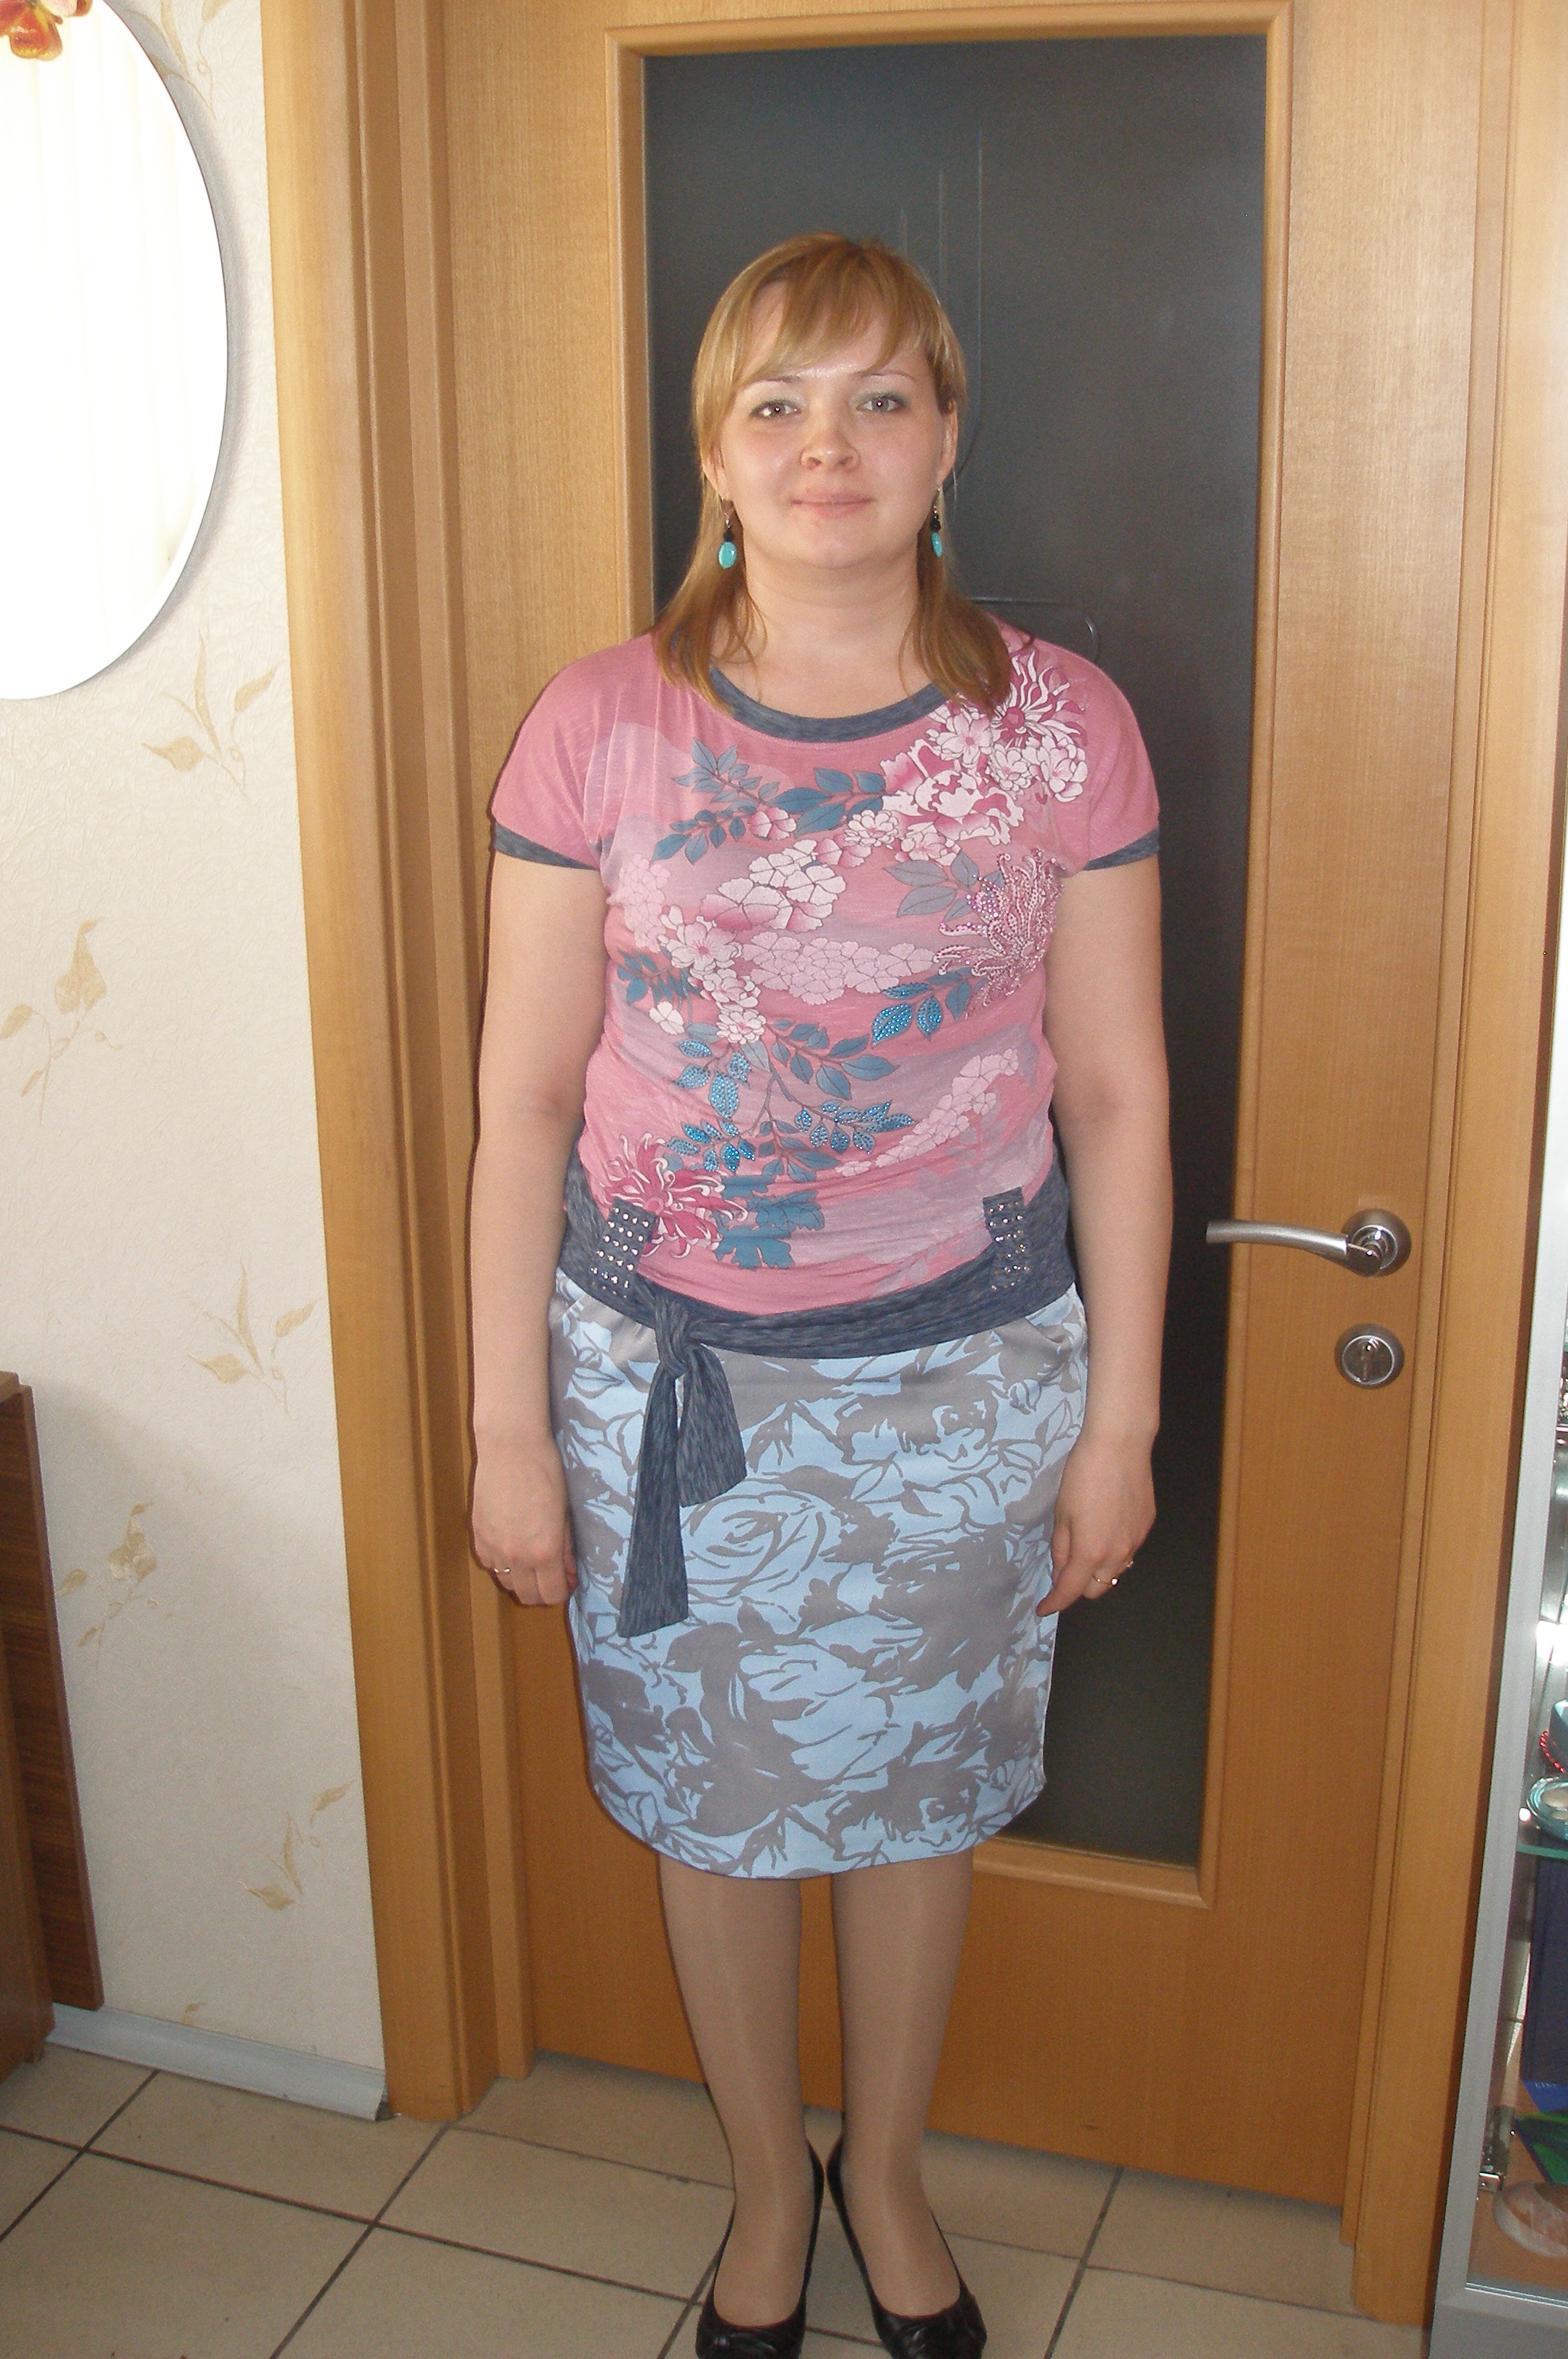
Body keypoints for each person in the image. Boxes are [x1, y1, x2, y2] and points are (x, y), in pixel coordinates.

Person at [469, 232, 1170, 2359]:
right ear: (715, 454)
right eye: (777, 403)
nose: (828, 446)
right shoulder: (598, 727)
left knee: (915, 1804)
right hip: (664, 1390)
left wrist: (1124, 1423)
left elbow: (1119, 1098)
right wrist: (508, 1432)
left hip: (966, 1388)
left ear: (949, 439)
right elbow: (523, 1102)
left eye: (880, 399)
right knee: (715, 1816)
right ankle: (769, 2186)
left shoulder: (1060, 731)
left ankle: (887, 2175)